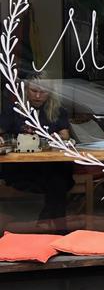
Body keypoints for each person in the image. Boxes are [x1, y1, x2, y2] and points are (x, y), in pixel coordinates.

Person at [0, 77, 74, 232]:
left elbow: (65, 135)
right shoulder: (13, 109)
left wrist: (57, 137)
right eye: (34, 91)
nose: (38, 96)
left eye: (43, 92)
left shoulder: (57, 110)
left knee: (59, 178)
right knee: (58, 182)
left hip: (48, 165)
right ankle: (59, 228)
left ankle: (48, 221)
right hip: (21, 167)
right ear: (26, 90)